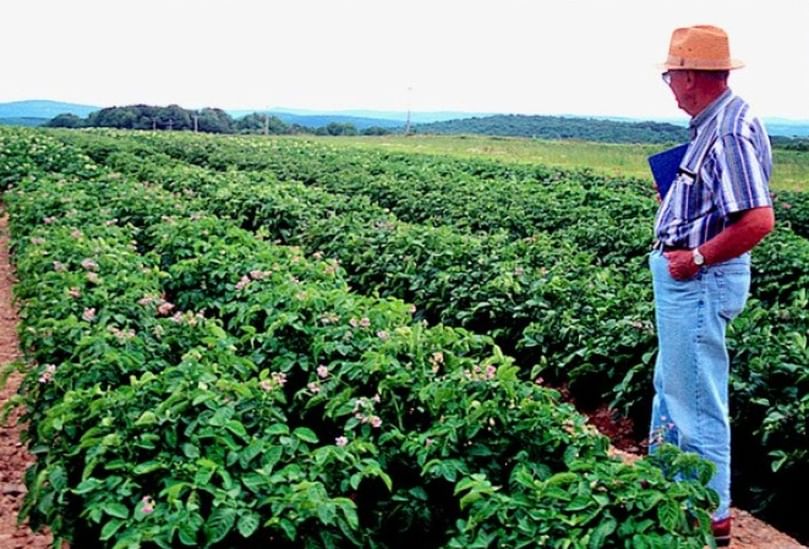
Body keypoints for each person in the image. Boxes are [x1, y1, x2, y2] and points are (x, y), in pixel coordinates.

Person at [649, 24, 775, 547]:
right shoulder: (713, 122)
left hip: (699, 281)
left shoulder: (725, 131)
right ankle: (668, 495)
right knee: (675, 392)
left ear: (692, 77)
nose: (668, 84)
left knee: (696, 403)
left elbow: (758, 220)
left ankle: (709, 519)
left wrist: (695, 256)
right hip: (691, 280)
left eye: (670, 74)